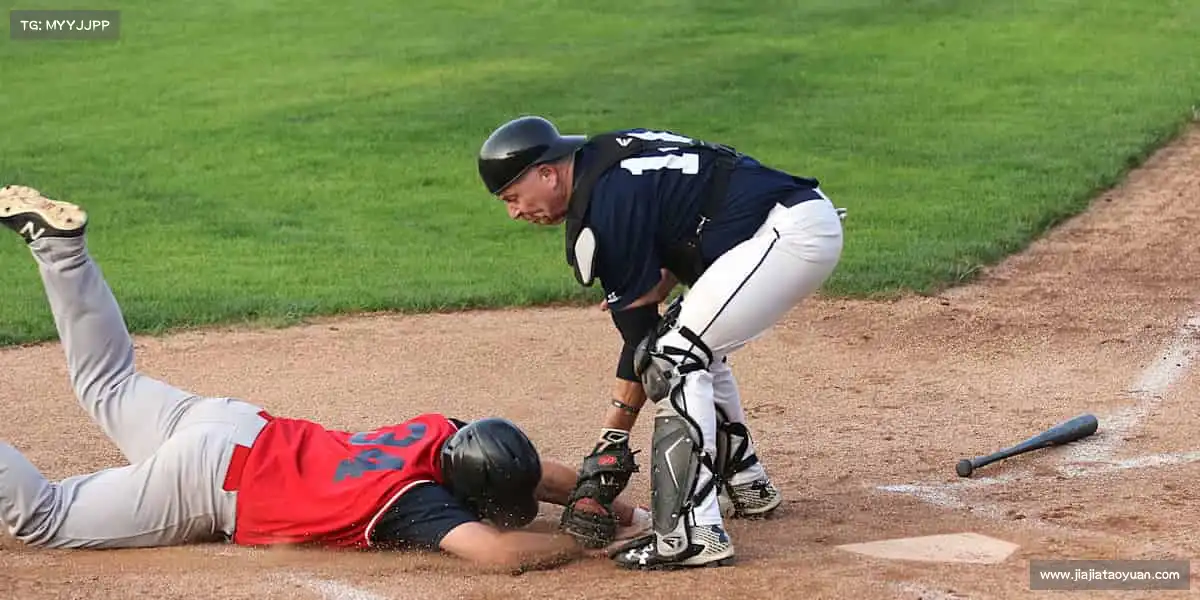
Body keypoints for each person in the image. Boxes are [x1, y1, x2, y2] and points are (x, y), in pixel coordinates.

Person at [0, 185, 650, 572]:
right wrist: (576, 537)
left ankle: (61, 251)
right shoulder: (418, 504)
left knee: (108, 385)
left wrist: (620, 508)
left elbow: (532, 469)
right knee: (48, 519)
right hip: (207, 482)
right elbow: (498, 555)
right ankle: (59, 252)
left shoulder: (441, 434)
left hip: (230, 424)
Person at [476, 116, 845, 569]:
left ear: (548, 173)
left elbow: (641, 343)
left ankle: (691, 533)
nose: (514, 211)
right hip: (786, 224)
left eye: (513, 197)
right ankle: (747, 484)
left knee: (672, 356)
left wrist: (609, 443)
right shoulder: (606, 161)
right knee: (692, 346)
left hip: (787, 236)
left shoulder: (605, 207)